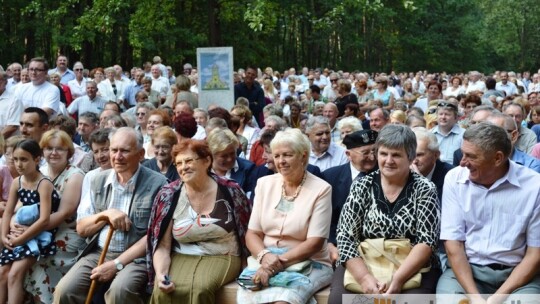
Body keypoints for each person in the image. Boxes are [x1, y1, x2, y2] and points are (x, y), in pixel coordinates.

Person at [53, 128, 168, 304]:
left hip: (136, 259)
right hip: (99, 253)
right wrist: (106, 214)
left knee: (119, 292)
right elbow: (82, 228)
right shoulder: (96, 179)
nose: (117, 156)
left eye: (125, 151)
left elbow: (153, 236)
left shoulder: (158, 184)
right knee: (65, 290)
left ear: (141, 154)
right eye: (114, 150)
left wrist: (116, 264)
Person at [329, 124, 441, 302]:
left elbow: (427, 241)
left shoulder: (425, 188)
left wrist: (397, 280)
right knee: (340, 300)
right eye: (383, 153)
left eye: (396, 155)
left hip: (412, 267)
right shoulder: (362, 185)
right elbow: (345, 236)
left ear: (410, 157)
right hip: (364, 261)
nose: (388, 160)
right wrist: (365, 278)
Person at [437, 122, 540, 302]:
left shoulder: (534, 185)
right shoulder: (455, 178)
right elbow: (454, 244)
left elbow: (535, 253)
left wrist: (497, 298)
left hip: (519, 276)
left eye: (470, 156)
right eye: (462, 154)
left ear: (498, 158)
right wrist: (475, 297)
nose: (462, 162)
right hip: (466, 273)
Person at [147, 139, 251, 303]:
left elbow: (247, 232)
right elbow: (162, 245)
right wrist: (160, 274)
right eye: (179, 163)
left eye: (188, 161)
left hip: (223, 255)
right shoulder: (168, 195)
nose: (183, 167)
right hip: (181, 255)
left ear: (206, 161)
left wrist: (247, 268)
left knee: (200, 289)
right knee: (163, 292)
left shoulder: (231, 190)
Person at [237, 128, 333, 303]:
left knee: (284, 301)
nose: (281, 161)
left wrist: (275, 265)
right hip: (264, 260)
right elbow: (252, 234)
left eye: (287, 155)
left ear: (303, 156)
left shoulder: (321, 189)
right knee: (249, 296)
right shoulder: (264, 184)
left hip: (310, 262)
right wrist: (264, 257)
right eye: (277, 155)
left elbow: (315, 243)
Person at [23, 130, 86, 303]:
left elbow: (64, 213)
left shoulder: (75, 175)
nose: (54, 153)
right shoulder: (39, 172)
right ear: (42, 151)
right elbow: (22, 205)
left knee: (37, 260)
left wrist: (27, 231)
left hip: (64, 234)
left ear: (69, 152)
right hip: (37, 231)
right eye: (49, 148)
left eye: (60, 148)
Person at [0, 139, 60, 304]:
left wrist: (20, 239)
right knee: (2, 272)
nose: (19, 164)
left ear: (37, 159)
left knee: (15, 274)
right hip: (21, 232)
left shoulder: (43, 183)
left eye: (24, 159)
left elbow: (44, 220)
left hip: (39, 235)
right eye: (16, 159)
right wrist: (4, 236)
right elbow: (8, 212)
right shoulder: (17, 182)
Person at [322, 129, 378, 264]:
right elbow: (325, 219)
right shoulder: (330, 177)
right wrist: (329, 244)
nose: (372, 157)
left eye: (375, 151)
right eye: (365, 153)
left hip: (376, 249)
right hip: (337, 246)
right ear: (348, 154)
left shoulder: (386, 176)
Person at [207, 128, 256, 196]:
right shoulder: (203, 170)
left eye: (232, 153)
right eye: (224, 156)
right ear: (212, 154)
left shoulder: (248, 169)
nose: (229, 159)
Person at [411, 127, 454, 202]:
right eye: (410, 155)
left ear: (436, 155)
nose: (414, 161)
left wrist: (422, 183)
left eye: (419, 155)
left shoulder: (450, 176)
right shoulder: (402, 172)